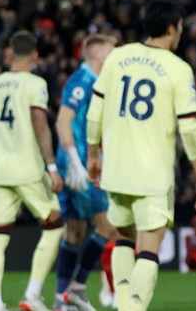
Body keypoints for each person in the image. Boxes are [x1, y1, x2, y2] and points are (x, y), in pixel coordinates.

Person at [87, 0, 196, 311]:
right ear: (171, 28)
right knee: (149, 250)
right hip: (152, 174)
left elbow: (94, 113)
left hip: (116, 170)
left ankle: (122, 303)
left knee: (124, 239)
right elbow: (190, 129)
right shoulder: (178, 68)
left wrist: (92, 154)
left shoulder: (117, 57)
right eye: (180, 27)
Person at [0, 31, 64, 311]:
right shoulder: (35, 83)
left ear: (8, 53)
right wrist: (51, 167)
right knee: (54, 226)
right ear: (36, 55)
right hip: (28, 169)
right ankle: (32, 294)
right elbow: (40, 122)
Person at [53, 33, 120, 311]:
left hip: (79, 164)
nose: (115, 55)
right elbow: (62, 121)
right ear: (97, 53)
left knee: (75, 233)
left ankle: (61, 299)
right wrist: (75, 162)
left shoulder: (97, 81)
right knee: (108, 226)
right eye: (111, 50)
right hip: (79, 166)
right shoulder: (82, 81)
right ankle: (78, 287)